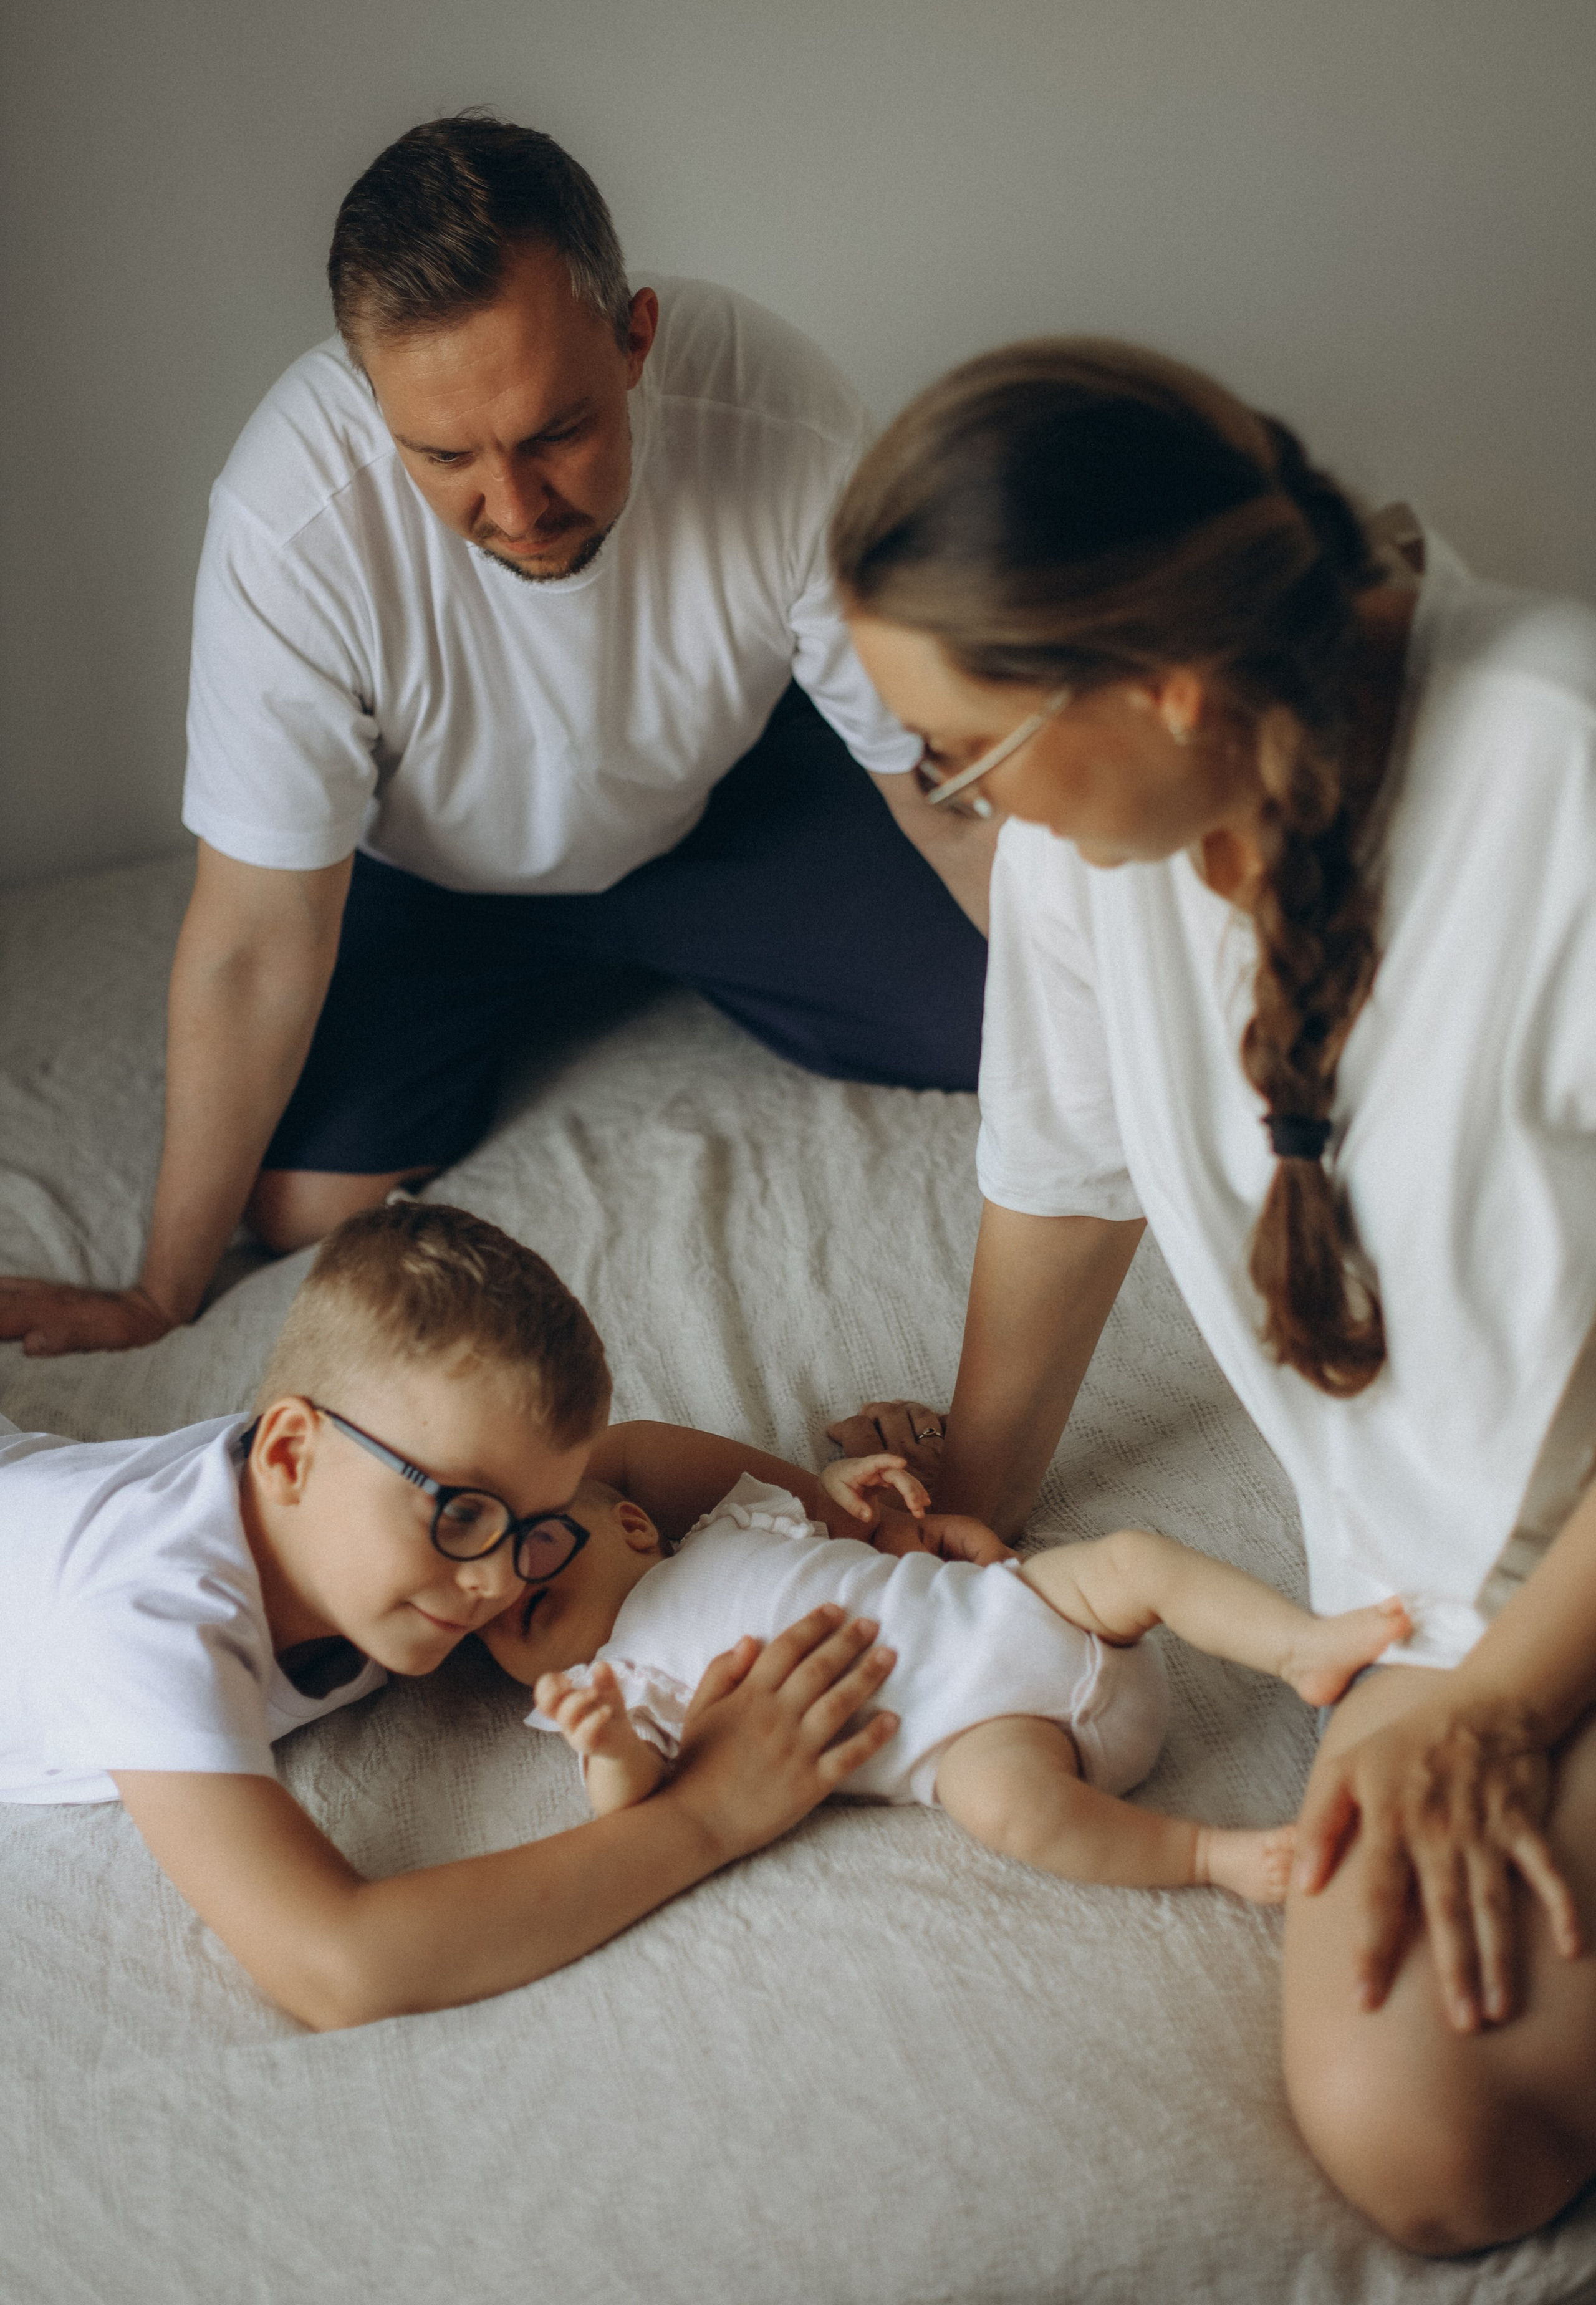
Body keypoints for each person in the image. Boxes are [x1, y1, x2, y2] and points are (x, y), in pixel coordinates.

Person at [821, 339, 1596, 2256]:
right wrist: (963, 1529)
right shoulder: (1112, 848)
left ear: (1163, 681)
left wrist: (1504, 1707)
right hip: (1459, 1591)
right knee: (1425, 2135)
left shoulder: (1563, 775)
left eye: (962, 756)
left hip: (1549, 1588)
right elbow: (1068, 1177)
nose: (952, 800)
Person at [0, 113, 994, 1363]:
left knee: (1002, 1022)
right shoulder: (289, 521)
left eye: (552, 433)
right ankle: (576, 968)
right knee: (297, 1208)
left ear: (633, 339)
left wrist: (1163, 1048)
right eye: (444, 455)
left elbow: (945, 795)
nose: (515, 508)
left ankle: (676, 947)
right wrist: (160, 1293)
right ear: (372, 403)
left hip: (729, 807)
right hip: (440, 882)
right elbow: (258, 937)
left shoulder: (779, 412)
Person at [0, 1199, 916, 2028]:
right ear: (286, 1456)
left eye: (536, 1527)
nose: (499, 1584)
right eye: (464, 1512)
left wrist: (854, 1526)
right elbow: (338, 1967)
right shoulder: (148, 1619)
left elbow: (628, 1464)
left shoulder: (354, 1488)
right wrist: (710, 1815)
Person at [483, 1455, 1409, 1902]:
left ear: (636, 1529)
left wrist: (855, 1491)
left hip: (1022, 1606)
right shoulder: (622, 1680)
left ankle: (1300, 1644)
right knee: (1006, 1815)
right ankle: (1210, 1858)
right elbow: (630, 1811)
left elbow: (851, 1536)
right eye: (485, 1623)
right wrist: (605, 1743)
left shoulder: (731, 1525)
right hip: (981, 1735)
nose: (502, 1585)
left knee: (1132, 1558)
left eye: (536, 1545)